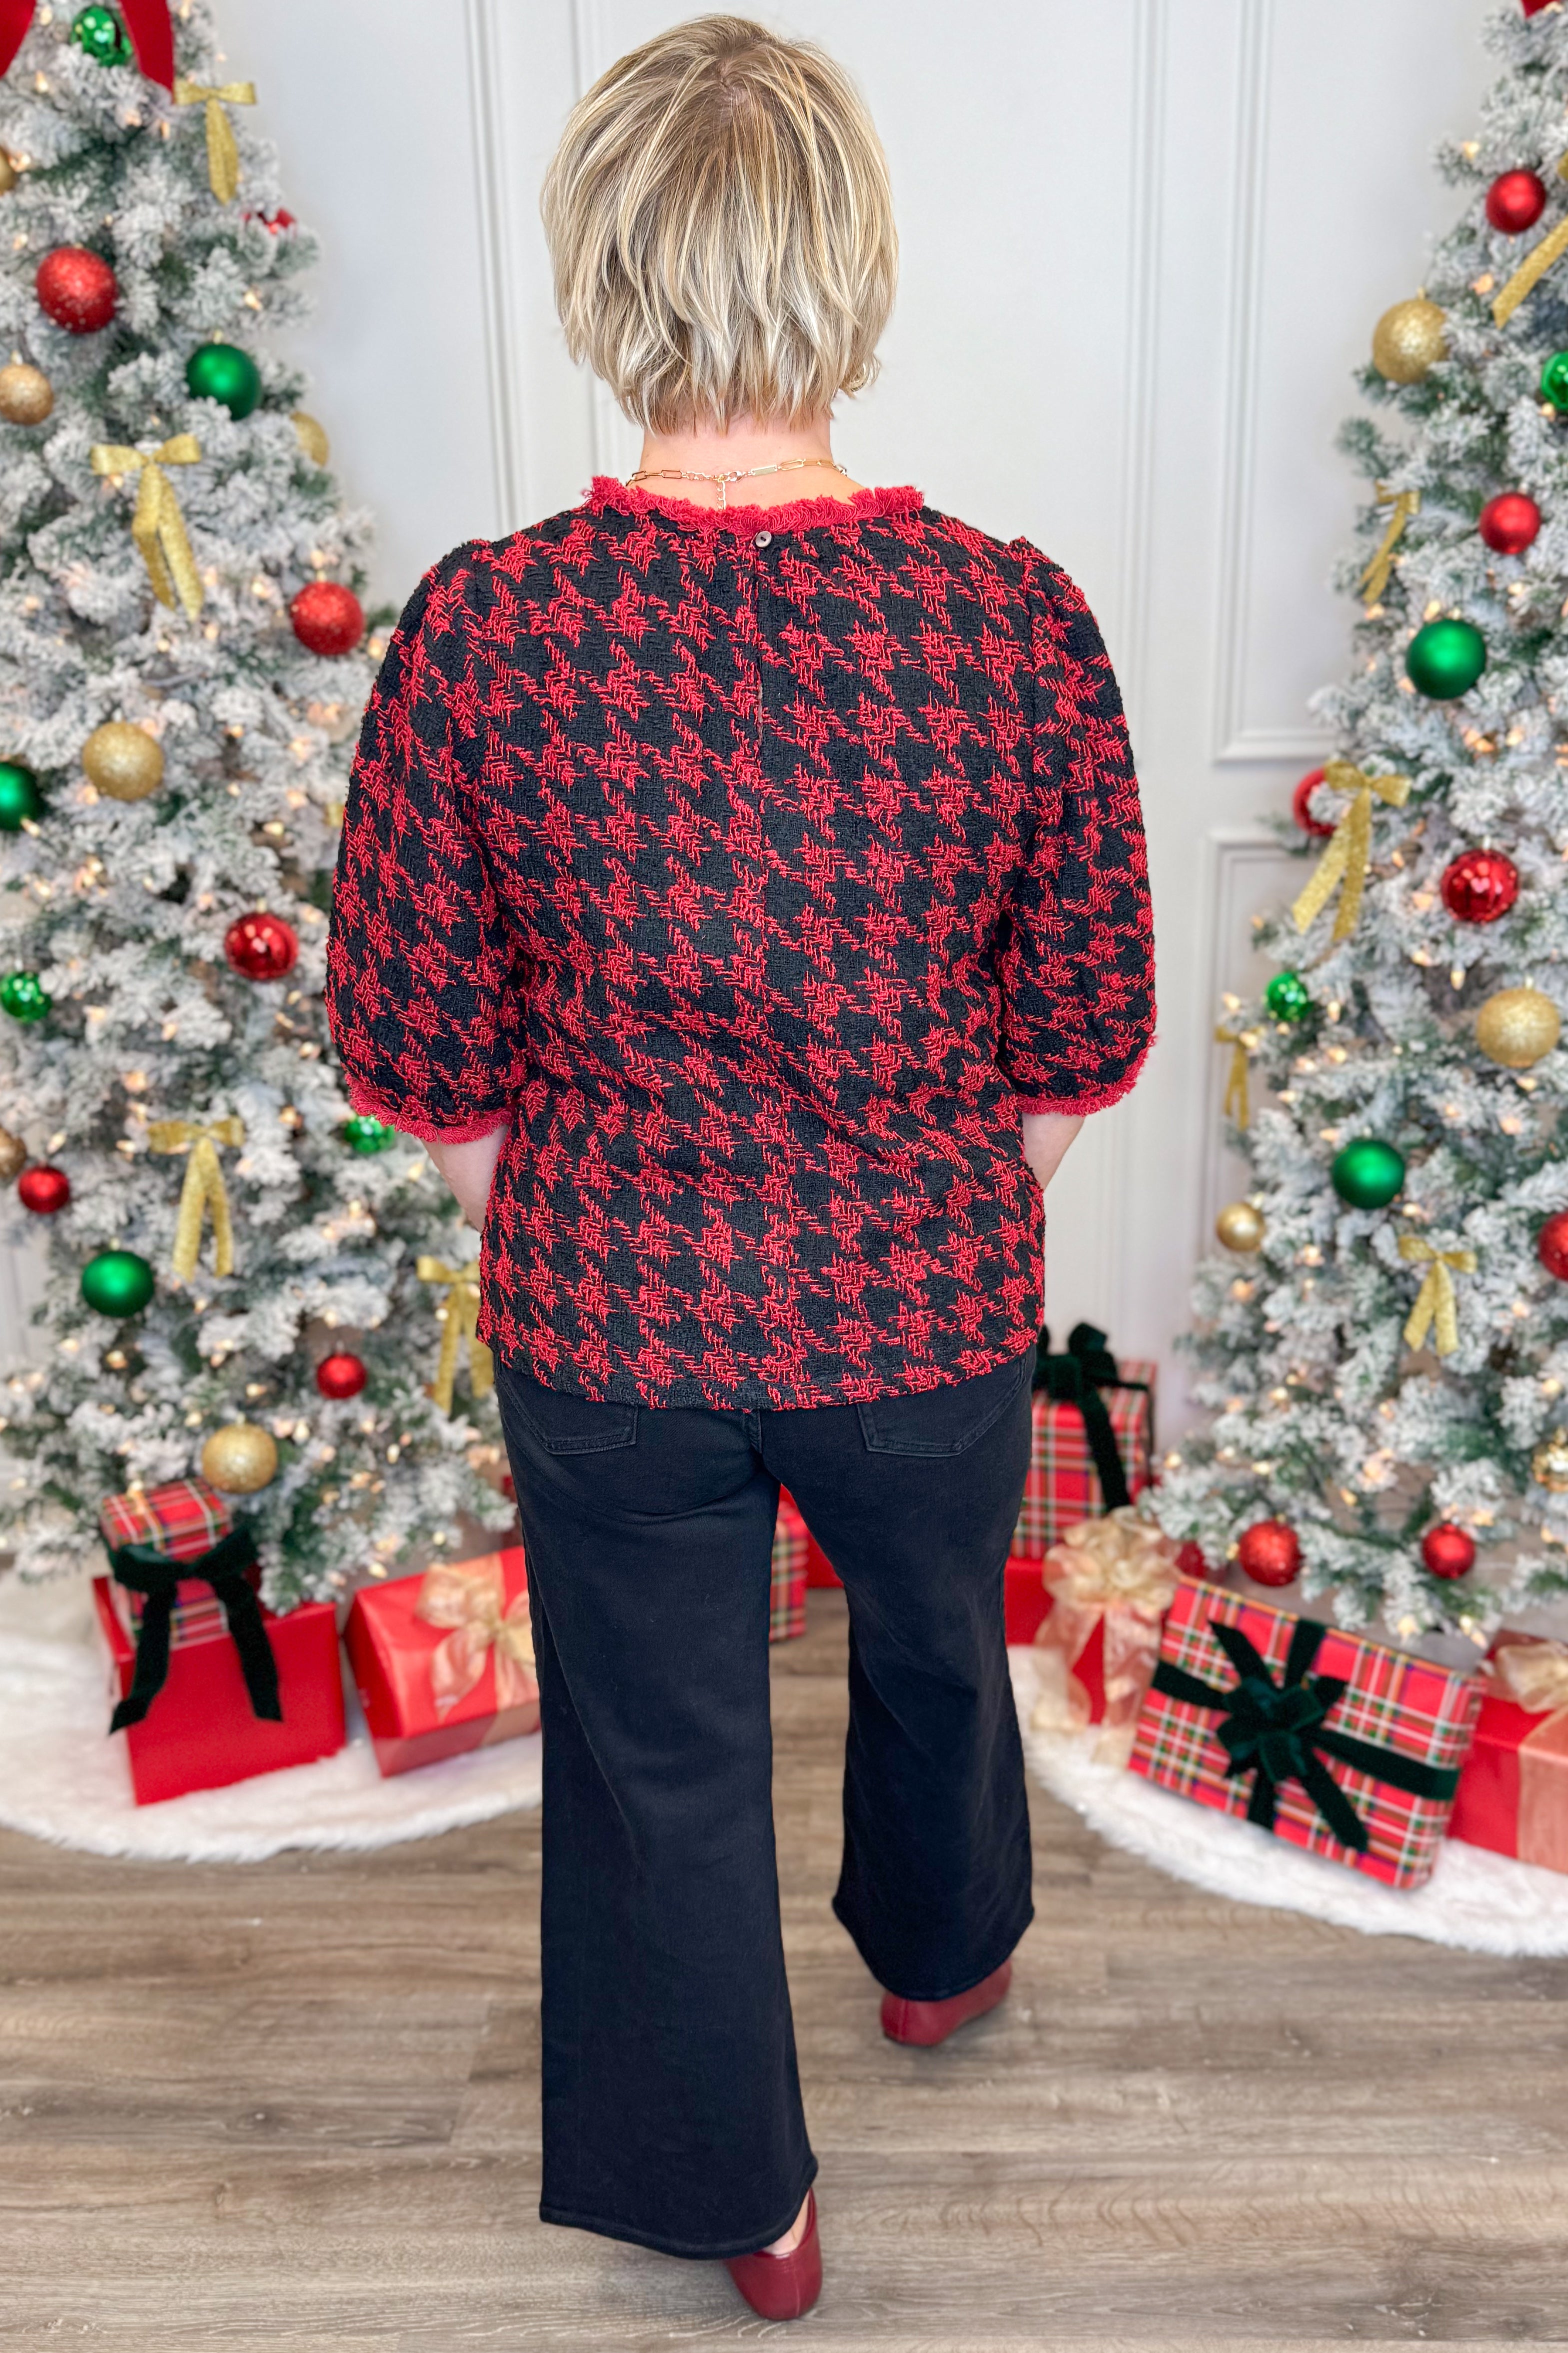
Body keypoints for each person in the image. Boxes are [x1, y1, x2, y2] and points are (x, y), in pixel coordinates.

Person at [326, 14, 1154, 2323]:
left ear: (603, 268)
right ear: (847, 265)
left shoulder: (486, 624)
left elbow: (420, 1050)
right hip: (925, 1297)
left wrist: (582, 1205)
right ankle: (940, 1950)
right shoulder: (1009, 613)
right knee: (937, 1645)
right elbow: (1079, 1032)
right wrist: (941, 1197)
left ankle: (743, 2203)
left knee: (658, 1766)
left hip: (609, 1316)